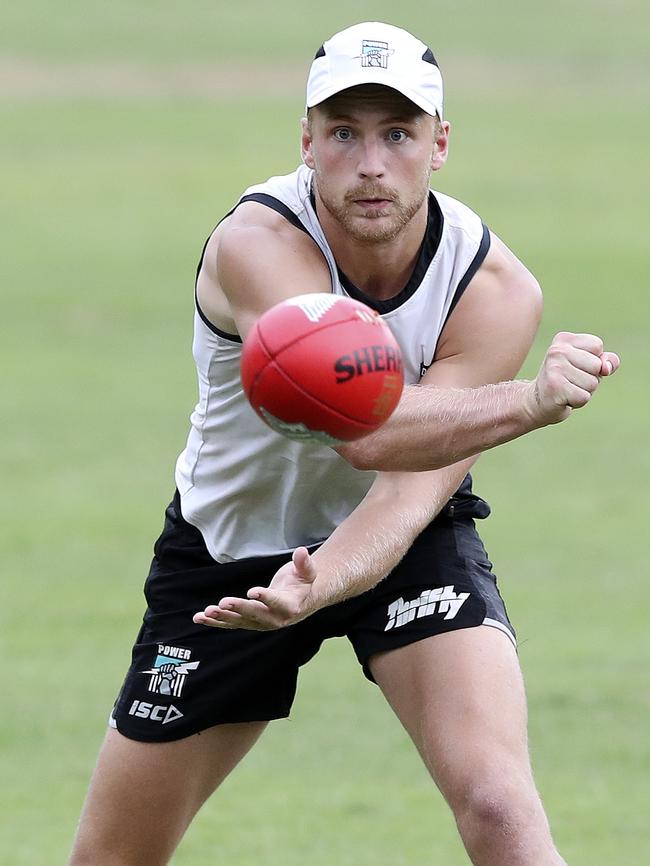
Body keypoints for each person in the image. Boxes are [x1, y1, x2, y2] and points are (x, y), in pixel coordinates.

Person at [68, 21, 619, 866]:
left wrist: (325, 581)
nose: (371, 162)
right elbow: (363, 428)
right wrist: (533, 401)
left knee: (501, 807)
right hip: (231, 556)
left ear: (440, 144)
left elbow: (405, 486)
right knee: (115, 857)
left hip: (403, 540)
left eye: (398, 133)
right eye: (343, 133)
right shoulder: (258, 246)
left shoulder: (494, 288)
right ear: (306, 142)